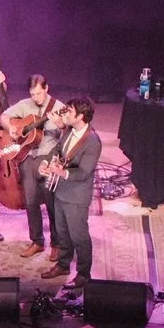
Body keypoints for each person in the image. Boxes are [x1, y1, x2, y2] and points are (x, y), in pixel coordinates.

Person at [45, 95, 101, 286]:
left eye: (69, 111)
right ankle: (63, 264)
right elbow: (58, 150)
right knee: (62, 232)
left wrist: (62, 172)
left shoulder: (92, 141)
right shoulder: (69, 131)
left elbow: (84, 172)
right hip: (61, 191)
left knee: (79, 236)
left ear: (79, 116)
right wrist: (47, 162)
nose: (65, 114)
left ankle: (84, 274)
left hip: (76, 197)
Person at [3, 72, 60, 258]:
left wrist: (60, 123)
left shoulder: (58, 107)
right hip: (27, 157)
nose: (35, 98)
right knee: (30, 201)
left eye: (39, 93)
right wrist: (10, 127)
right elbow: (4, 116)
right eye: (32, 94)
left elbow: (67, 134)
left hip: (48, 156)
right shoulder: (25, 104)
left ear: (46, 89)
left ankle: (57, 244)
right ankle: (37, 241)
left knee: (51, 202)